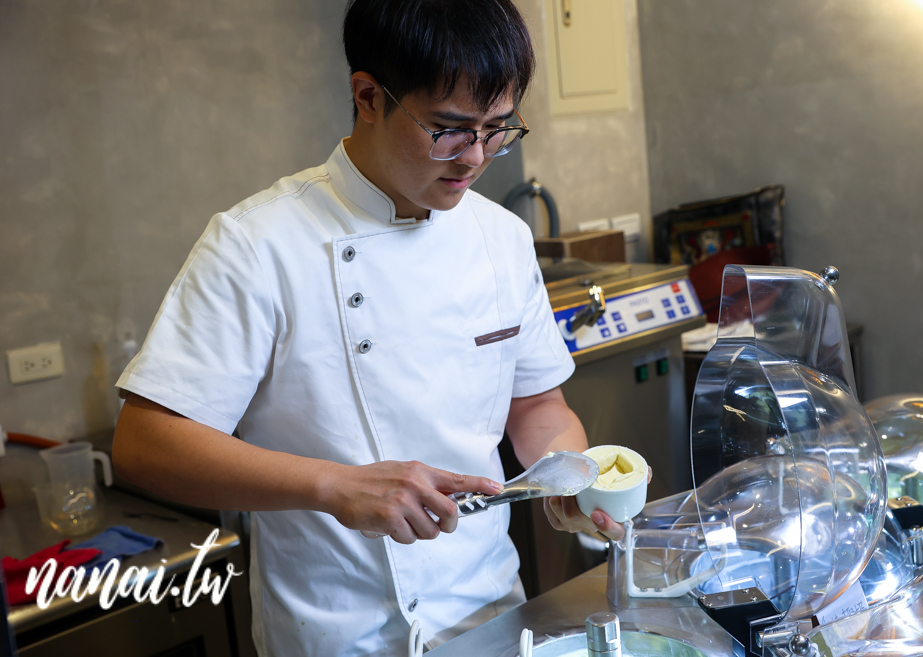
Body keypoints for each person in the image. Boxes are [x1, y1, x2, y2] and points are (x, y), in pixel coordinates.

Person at [112, 1, 626, 654]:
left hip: (488, 613)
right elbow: (143, 442)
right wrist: (334, 485)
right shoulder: (259, 243)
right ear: (368, 96)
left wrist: (568, 476)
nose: (474, 157)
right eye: (448, 128)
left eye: (497, 130)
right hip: (333, 629)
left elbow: (538, 404)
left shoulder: (502, 238)